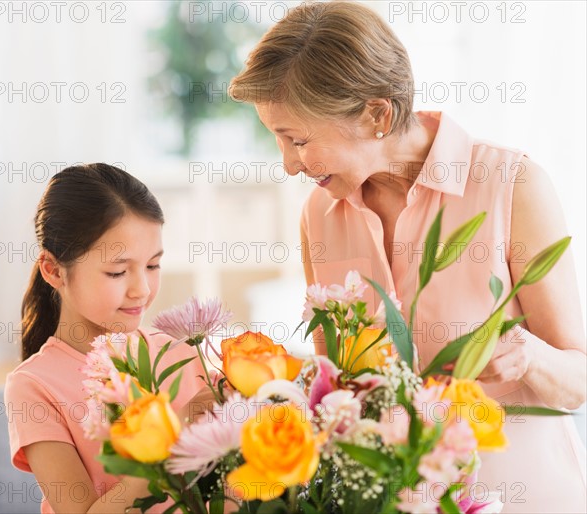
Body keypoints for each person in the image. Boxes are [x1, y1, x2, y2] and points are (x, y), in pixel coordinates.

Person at [229, 2, 586, 512]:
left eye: (299, 140)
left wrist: (526, 353)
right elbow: (341, 388)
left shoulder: (511, 185)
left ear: (377, 113)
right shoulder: (320, 213)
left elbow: (578, 382)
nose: (288, 165)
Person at [4, 164, 206, 513]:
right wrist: (177, 437)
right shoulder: (33, 386)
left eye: (153, 266)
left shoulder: (180, 352)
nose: (141, 289)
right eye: (117, 271)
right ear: (53, 270)